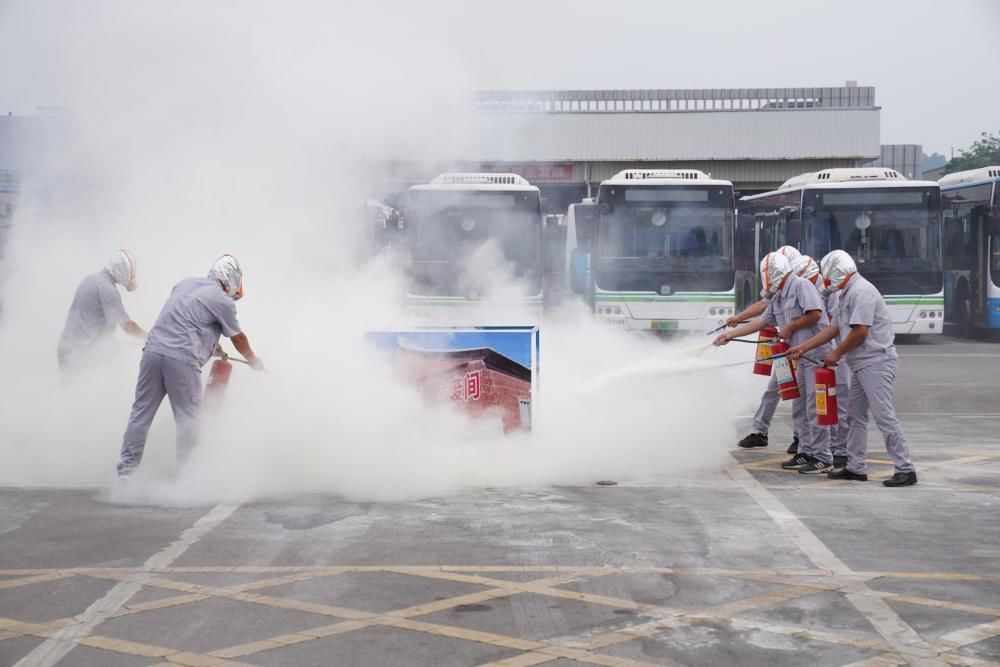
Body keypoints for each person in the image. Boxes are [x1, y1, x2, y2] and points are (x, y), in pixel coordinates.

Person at [116, 254, 263, 477]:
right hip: (182, 361)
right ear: (231, 279)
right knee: (188, 420)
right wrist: (253, 360)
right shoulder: (222, 301)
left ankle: (125, 474)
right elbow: (238, 338)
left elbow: (185, 320)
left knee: (141, 413)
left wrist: (213, 347)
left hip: (152, 352)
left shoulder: (185, 284)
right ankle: (188, 478)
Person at [789, 250, 917, 487]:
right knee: (854, 416)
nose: (824, 282)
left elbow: (860, 331)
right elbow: (834, 328)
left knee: (884, 416)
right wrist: (803, 348)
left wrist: (835, 354)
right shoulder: (846, 293)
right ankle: (856, 466)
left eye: (827, 276)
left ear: (837, 273)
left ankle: (905, 468)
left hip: (876, 362)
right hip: (860, 363)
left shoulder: (862, 292)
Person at [716, 252, 834, 474]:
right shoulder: (779, 295)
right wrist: (730, 335)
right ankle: (806, 451)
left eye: (766, 275)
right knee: (800, 407)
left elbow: (815, 315)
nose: (765, 280)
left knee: (814, 407)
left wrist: (790, 327)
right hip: (797, 357)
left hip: (814, 355)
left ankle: (823, 456)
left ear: (774, 273)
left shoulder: (801, 286)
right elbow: (762, 321)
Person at [729, 245, 801, 453]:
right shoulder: (778, 290)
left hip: (804, 351)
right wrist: (737, 320)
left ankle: (801, 438)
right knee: (775, 389)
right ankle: (760, 432)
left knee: (801, 396)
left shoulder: (802, 287)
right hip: (786, 349)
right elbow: (764, 309)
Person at [792, 254, 851, 470]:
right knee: (814, 406)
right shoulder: (804, 288)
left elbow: (832, 328)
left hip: (834, 353)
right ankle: (816, 449)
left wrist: (832, 353)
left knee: (839, 405)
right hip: (816, 352)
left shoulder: (833, 293)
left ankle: (840, 451)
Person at [57, 249, 147, 372]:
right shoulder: (108, 290)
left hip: (66, 348)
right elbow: (128, 326)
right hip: (81, 355)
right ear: (123, 272)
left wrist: (108, 342)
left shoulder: (90, 279)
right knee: (84, 389)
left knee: (68, 389)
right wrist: (150, 338)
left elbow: (89, 318)